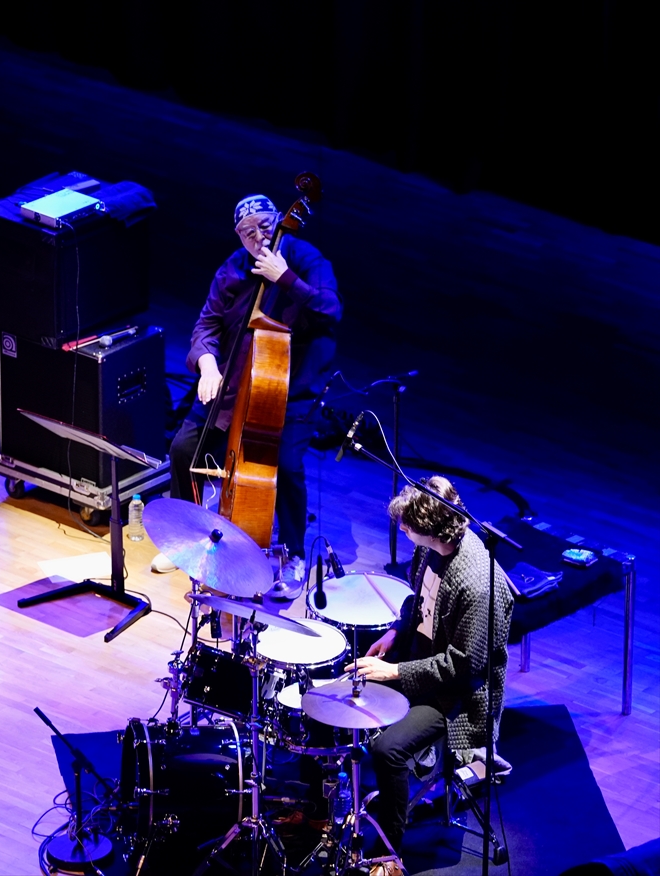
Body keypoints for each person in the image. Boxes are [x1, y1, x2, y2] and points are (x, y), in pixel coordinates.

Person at [156, 193, 342, 589]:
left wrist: (285, 279)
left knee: (287, 467)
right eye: (246, 232)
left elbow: (331, 310)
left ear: (278, 221)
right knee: (182, 449)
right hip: (235, 387)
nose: (257, 238)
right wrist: (206, 363)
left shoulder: (307, 259)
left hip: (291, 391)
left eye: (264, 227)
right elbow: (206, 325)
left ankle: (292, 552)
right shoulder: (232, 269)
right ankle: (188, 537)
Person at [348, 477, 514, 875]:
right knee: (341, 687)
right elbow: (416, 600)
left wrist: (395, 672)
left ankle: (389, 854)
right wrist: (394, 633)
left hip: (456, 696)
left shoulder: (478, 585)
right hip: (417, 661)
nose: (401, 529)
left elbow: (462, 669)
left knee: (388, 750)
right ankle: (321, 811)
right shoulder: (429, 550)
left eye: (406, 525)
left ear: (430, 528)